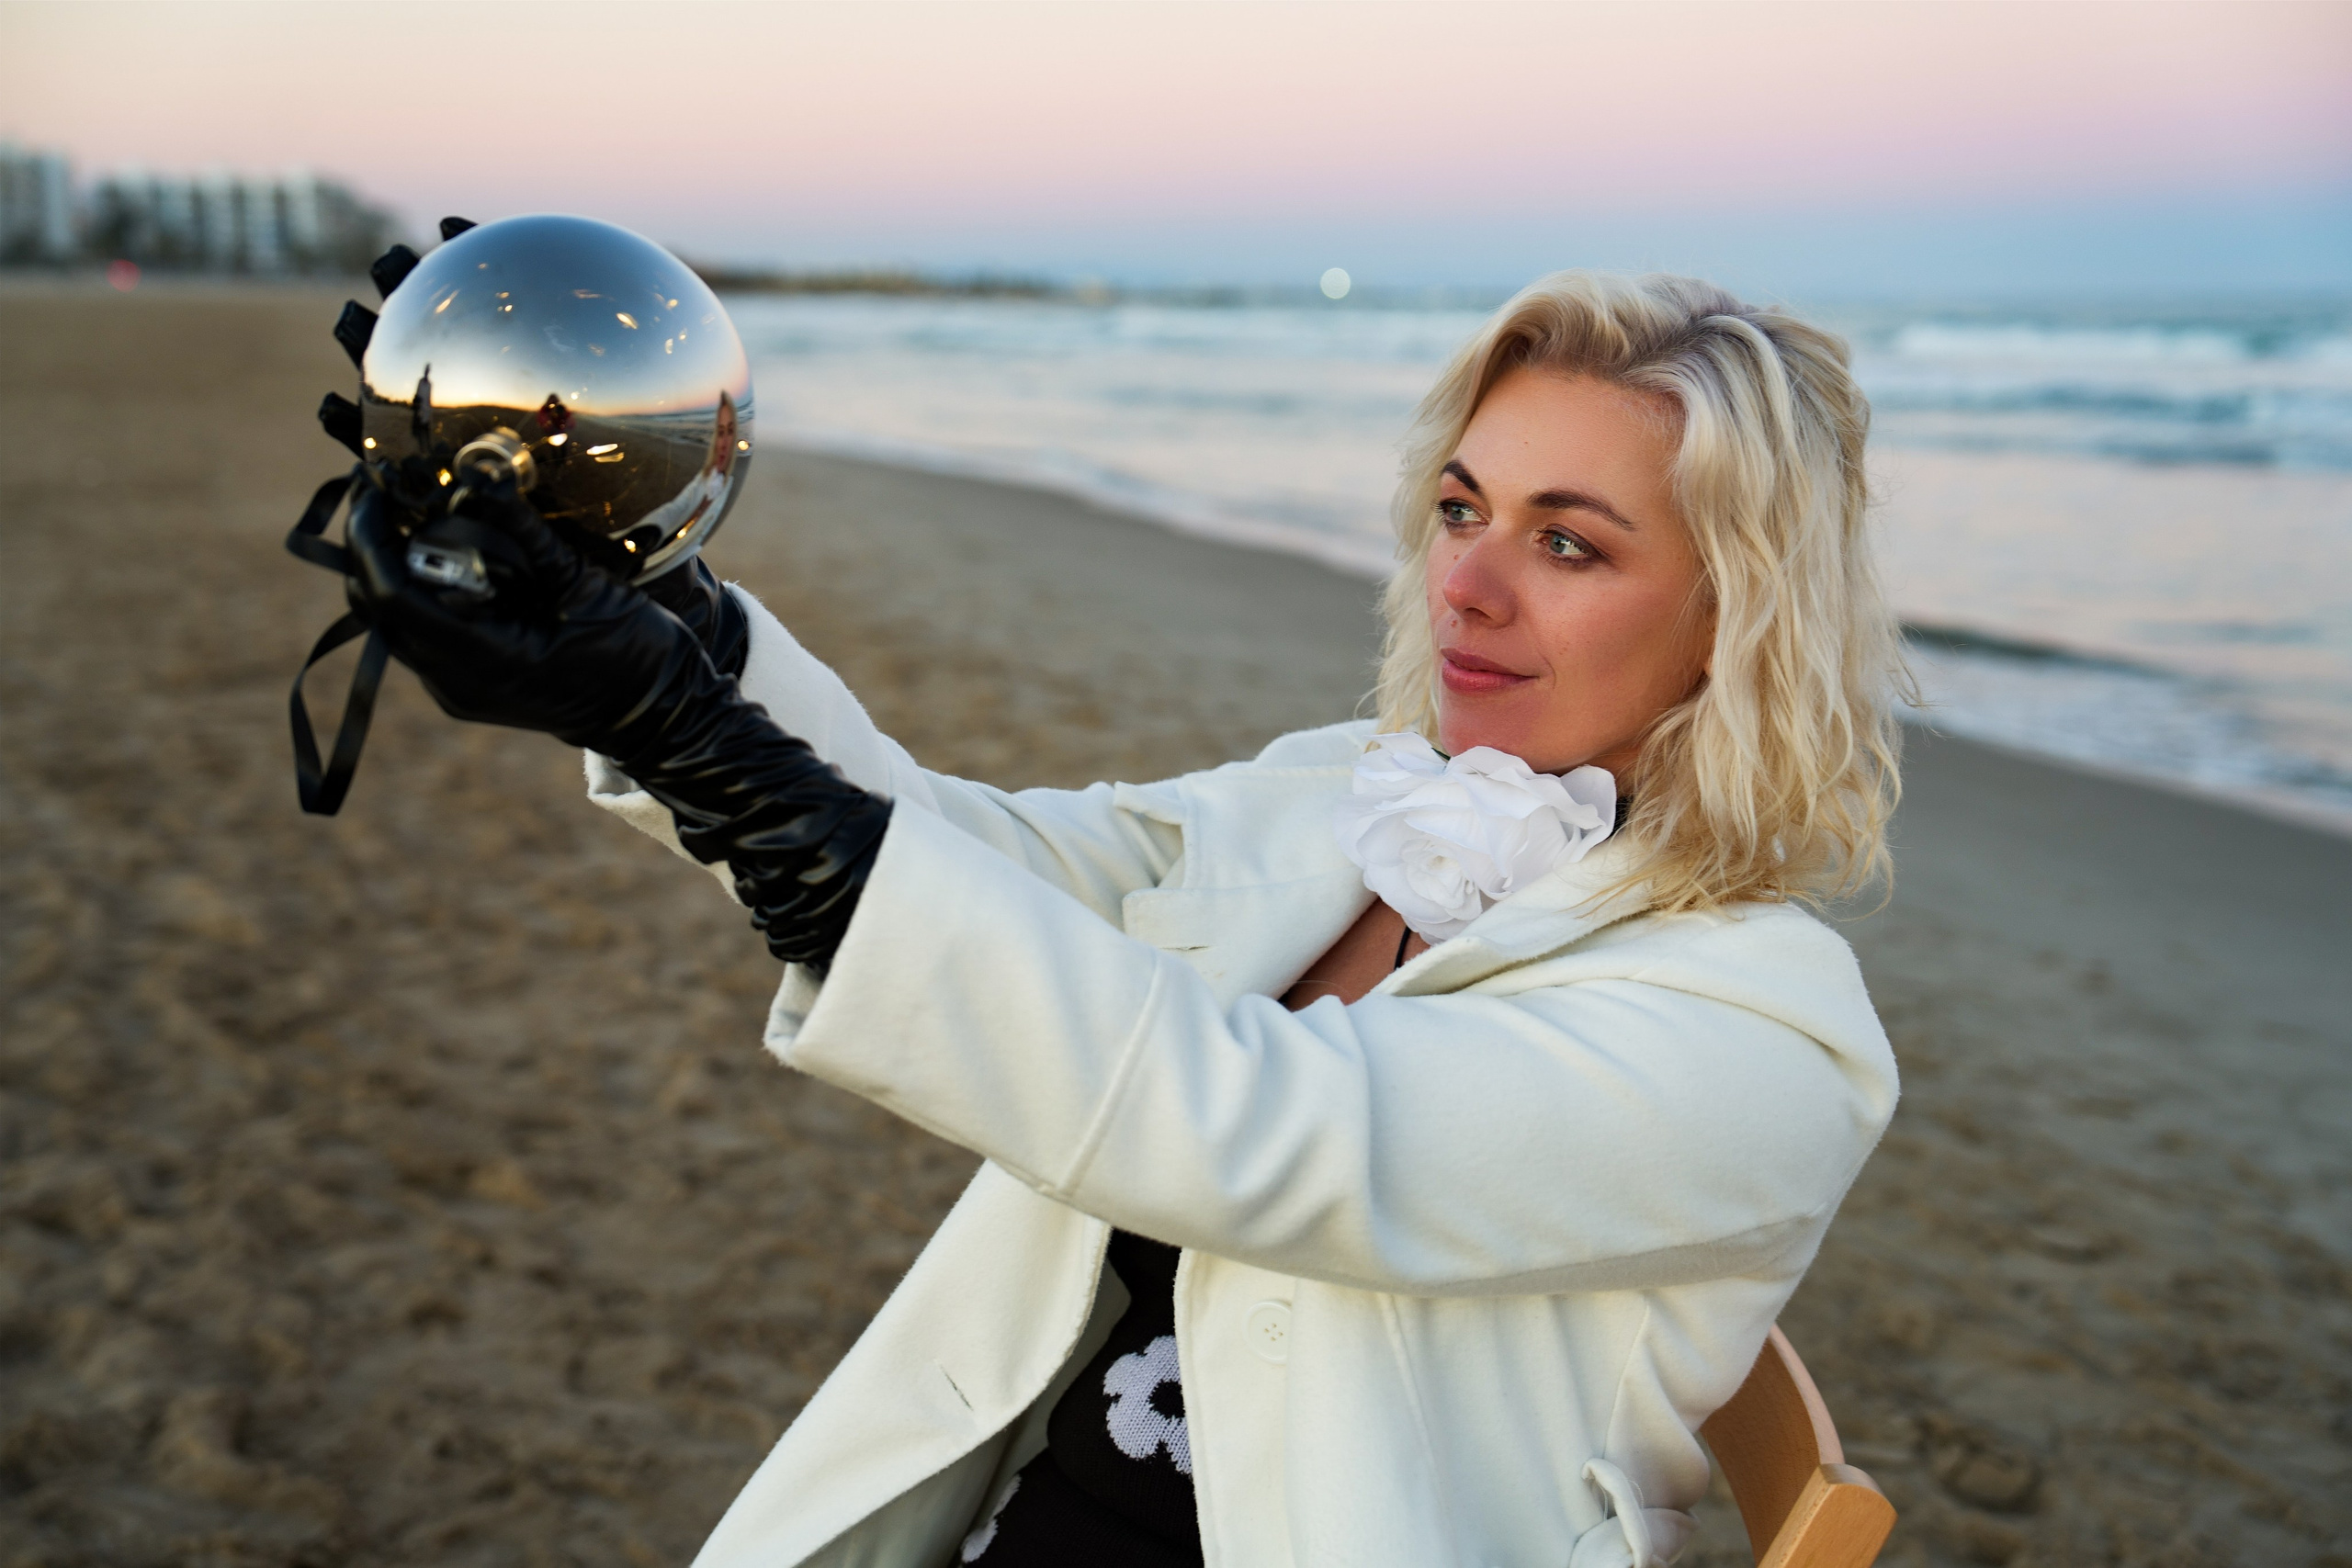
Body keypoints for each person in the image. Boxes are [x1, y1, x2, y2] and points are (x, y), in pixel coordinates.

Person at [336, 270, 1905, 1568]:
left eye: (1568, 543)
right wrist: (669, 615)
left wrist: (703, 746)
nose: (1467, 590)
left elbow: (1262, 1131)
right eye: (1459, 507)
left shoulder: (1766, 1030)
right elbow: (988, 862)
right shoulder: (1342, 801)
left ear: (1735, 622)